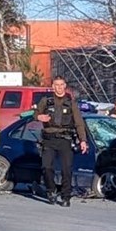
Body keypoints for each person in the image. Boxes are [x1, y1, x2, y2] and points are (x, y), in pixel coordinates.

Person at [33, 76, 90, 207]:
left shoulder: (71, 103)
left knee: (66, 169)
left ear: (65, 86)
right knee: (46, 167)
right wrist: (38, 116)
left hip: (65, 139)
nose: (59, 87)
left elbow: (79, 123)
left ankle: (66, 196)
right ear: (53, 87)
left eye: (61, 84)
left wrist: (83, 140)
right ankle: (51, 191)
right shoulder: (46, 101)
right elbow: (34, 113)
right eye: (56, 85)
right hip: (49, 139)